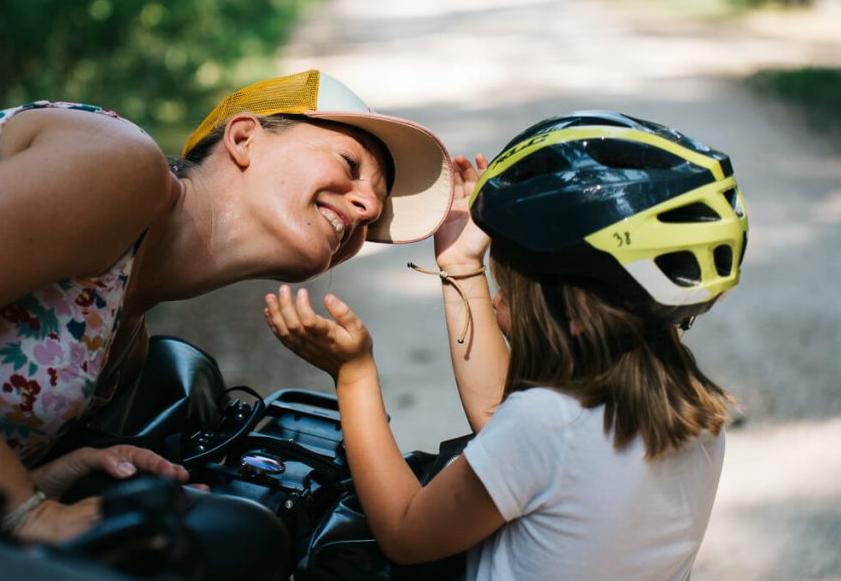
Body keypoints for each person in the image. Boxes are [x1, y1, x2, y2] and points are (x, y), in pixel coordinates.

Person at [0, 69, 454, 543]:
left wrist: (45, 479)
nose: (367, 208)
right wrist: (26, 511)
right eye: (350, 163)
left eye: (375, 213)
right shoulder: (120, 166)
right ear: (243, 138)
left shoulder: (123, 354)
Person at [265, 111, 748, 580]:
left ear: (575, 314)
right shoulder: (690, 416)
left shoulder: (544, 427)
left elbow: (405, 532)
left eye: (510, 282)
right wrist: (461, 266)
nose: (497, 296)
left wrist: (353, 375)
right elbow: (504, 428)